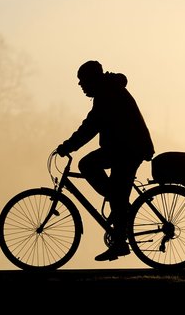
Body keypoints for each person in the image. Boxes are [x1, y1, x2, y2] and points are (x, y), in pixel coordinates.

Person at [56, 60, 155, 261]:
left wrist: (69, 145)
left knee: (89, 167)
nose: (81, 86)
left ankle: (120, 236)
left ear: (92, 79)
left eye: (83, 81)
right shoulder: (108, 91)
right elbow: (92, 125)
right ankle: (120, 211)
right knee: (112, 189)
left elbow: (91, 126)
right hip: (123, 148)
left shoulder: (107, 94)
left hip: (129, 149)